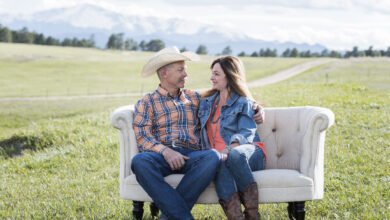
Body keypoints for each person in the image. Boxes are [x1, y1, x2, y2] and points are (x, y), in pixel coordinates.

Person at [131, 47, 264, 220]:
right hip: (163, 155)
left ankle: (170, 216)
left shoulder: (194, 97)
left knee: (213, 157)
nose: (186, 74)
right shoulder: (146, 102)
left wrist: (256, 107)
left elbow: (230, 94)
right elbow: (142, 135)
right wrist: (166, 151)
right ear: (164, 73)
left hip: (194, 156)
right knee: (139, 162)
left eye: (185, 69)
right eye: (181, 70)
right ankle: (183, 217)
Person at [198, 56, 267, 220]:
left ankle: (252, 215)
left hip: (250, 154)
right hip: (222, 157)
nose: (211, 78)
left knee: (232, 156)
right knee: (219, 163)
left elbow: (245, 133)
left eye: (216, 74)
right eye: (212, 73)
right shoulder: (206, 102)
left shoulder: (244, 103)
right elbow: (182, 95)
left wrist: (227, 150)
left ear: (229, 76)